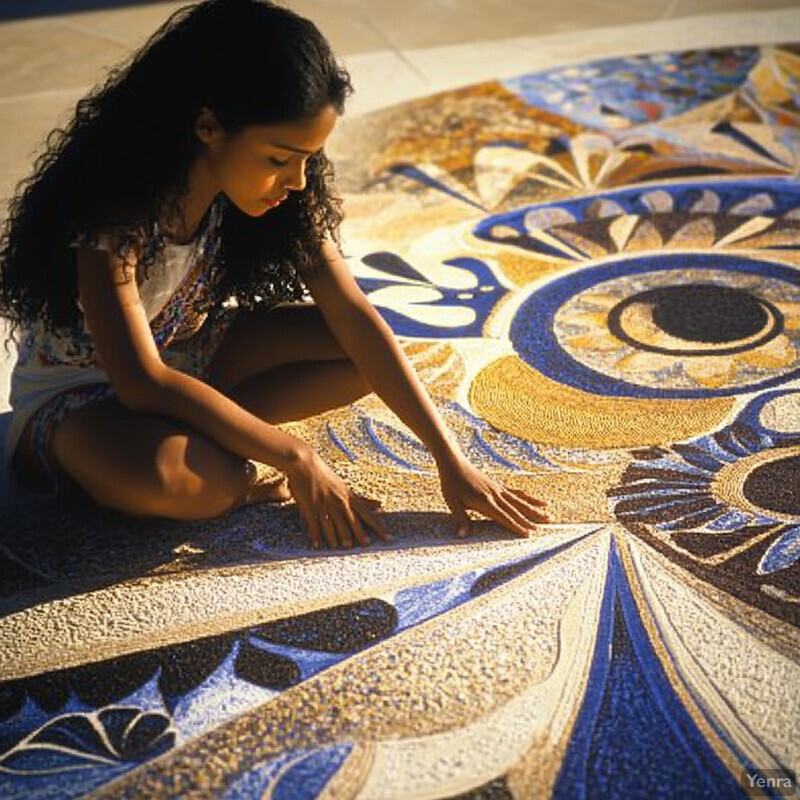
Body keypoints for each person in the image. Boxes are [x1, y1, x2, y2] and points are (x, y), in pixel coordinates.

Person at [0, 0, 549, 549]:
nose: (297, 180)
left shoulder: (284, 194)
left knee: (359, 349)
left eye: (308, 158)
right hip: (81, 395)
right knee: (178, 482)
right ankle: (203, 453)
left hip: (187, 357)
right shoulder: (116, 214)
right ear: (208, 126)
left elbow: (353, 315)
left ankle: (208, 431)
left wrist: (450, 461)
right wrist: (295, 456)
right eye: (280, 159)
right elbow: (140, 382)